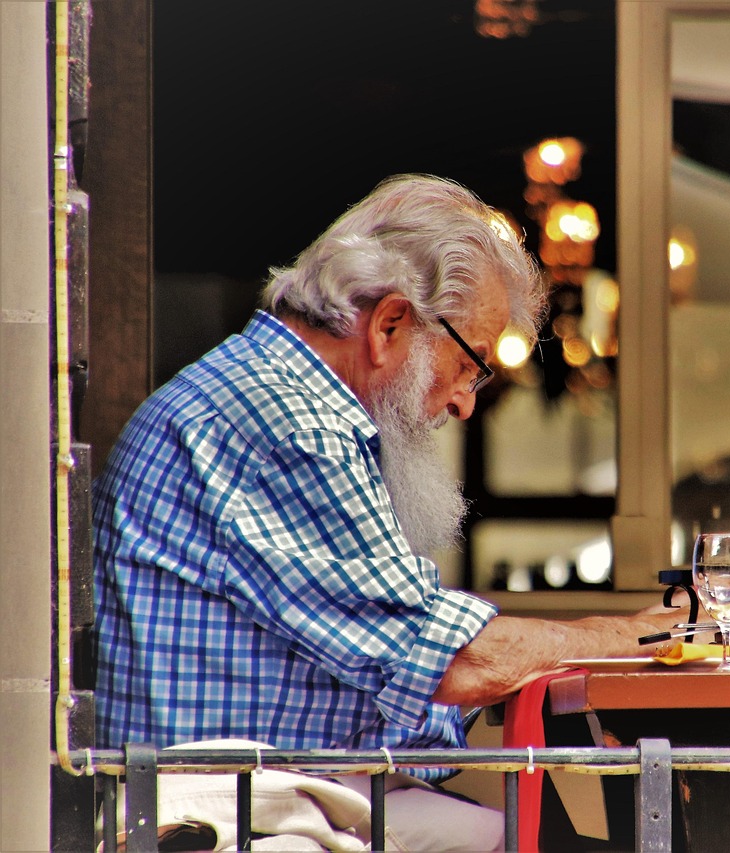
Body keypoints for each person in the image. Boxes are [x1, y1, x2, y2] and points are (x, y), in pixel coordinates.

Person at [92, 174, 685, 851]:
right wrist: (642, 638)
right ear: (390, 324)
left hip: (279, 795)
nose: (466, 402)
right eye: (472, 366)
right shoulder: (287, 424)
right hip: (232, 819)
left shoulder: (270, 396)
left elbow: (393, 665)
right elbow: (449, 658)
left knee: (557, 838)